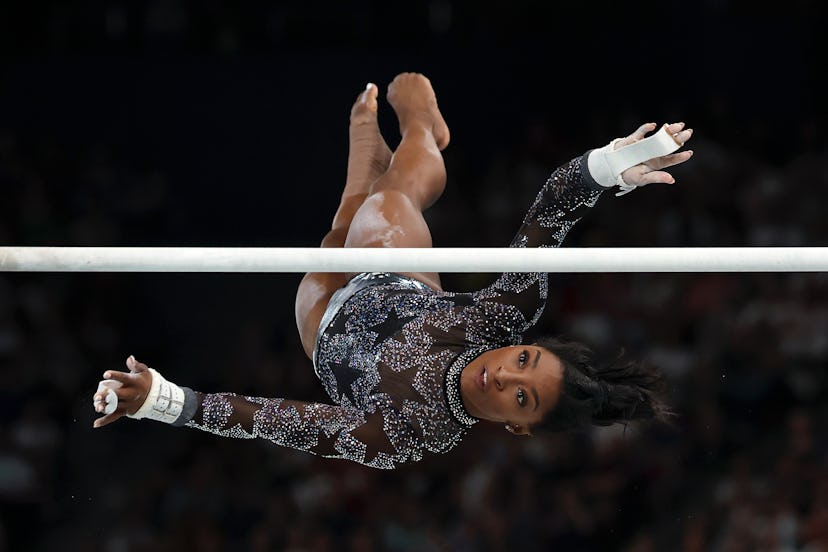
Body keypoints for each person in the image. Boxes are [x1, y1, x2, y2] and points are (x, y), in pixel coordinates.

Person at [92, 72, 693, 469]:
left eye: (521, 397)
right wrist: (609, 166)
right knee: (386, 208)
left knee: (342, 231)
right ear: (524, 345)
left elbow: (286, 422)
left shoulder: (411, 433)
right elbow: (552, 207)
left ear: (519, 428)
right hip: (397, 276)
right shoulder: (502, 317)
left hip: (323, 326)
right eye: (525, 360)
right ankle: (419, 127)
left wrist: (167, 401)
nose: (505, 373)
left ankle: (369, 163)